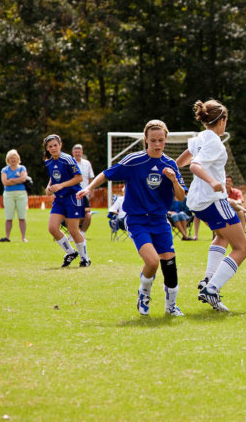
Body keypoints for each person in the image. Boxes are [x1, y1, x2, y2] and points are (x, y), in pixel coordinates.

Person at [77, 120, 187, 316]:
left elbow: (180, 196)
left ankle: (171, 307)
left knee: (169, 265)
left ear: (165, 140)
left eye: (160, 140)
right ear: (145, 139)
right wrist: (88, 188)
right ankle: (144, 293)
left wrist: (173, 180)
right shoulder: (134, 160)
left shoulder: (170, 164)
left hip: (160, 221)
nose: (157, 144)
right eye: (153, 140)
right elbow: (106, 173)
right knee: (153, 262)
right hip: (137, 220)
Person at [176, 100, 246, 313]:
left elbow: (182, 161)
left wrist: (168, 167)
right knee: (242, 248)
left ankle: (207, 279)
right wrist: (213, 182)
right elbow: (195, 165)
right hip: (213, 200)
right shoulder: (215, 142)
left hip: (198, 203)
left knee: (222, 236)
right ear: (222, 120)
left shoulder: (200, 137)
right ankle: (212, 289)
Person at [43, 134, 90, 267]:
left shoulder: (68, 159)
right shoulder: (49, 162)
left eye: (55, 145)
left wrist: (61, 185)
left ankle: (85, 258)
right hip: (59, 199)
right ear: (47, 148)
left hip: (72, 197)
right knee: (52, 228)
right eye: (50, 146)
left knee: (73, 230)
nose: (53, 148)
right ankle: (70, 252)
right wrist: (49, 187)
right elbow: (53, 177)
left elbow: (79, 178)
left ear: (60, 145)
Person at [0, 149, 28, 242]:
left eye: (14, 158)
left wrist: (12, 180)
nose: (13, 160)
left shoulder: (22, 168)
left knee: (22, 217)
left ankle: (23, 237)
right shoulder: (4, 169)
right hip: (8, 195)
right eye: (11, 158)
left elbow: (24, 179)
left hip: (21, 194)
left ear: (18, 158)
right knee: (8, 217)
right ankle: (7, 237)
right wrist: (17, 179)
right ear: (8, 160)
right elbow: (5, 182)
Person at [71, 144, 95, 235]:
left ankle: (82, 234)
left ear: (82, 152)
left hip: (84, 194)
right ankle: (72, 233)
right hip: (72, 193)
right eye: (75, 152)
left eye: (79, 152)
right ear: (73, 153)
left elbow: (90, 178)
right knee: (73, 213)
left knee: (87, 214)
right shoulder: (70, 163)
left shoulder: (87, 163)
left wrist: (91, 190)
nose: (77, 153)